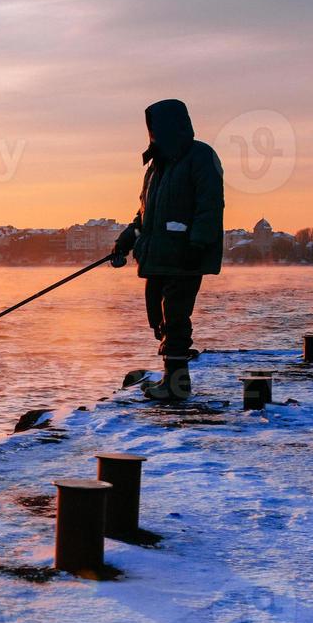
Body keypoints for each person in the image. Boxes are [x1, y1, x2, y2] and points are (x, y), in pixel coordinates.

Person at [111, 99, 225, 401]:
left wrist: (197, 244)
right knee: (158, 317)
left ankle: (176, 385)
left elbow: (210, 206)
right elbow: (143, 215)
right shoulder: (155, 167)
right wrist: (126, 240)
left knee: (176, 316)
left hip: (185, 257)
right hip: (158, 257)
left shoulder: (201, 156)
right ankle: (170, 377)